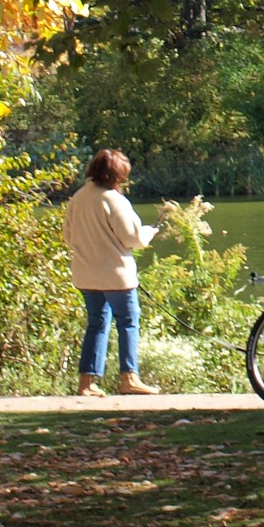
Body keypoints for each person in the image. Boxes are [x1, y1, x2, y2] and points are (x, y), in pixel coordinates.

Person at [62, 149, 162, 397]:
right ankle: (129, 377)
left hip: (85, 275)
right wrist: (150, 231)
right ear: (114, 175)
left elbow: (67, 237)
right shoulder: (114, 200)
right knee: (128, 323)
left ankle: (86, 382)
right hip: (116, 276)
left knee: (96, 324)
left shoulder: (77, 198)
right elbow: (132, 239)